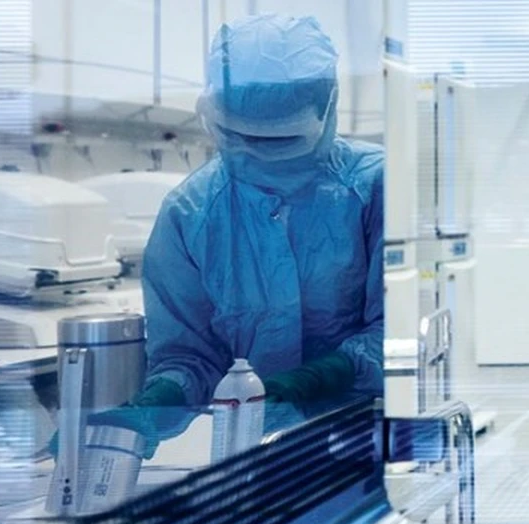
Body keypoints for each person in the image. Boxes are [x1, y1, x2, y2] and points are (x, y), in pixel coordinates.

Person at [97, 13, 384, 458]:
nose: (253, 153)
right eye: (234, 135)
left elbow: (401, 329)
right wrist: (156, 404)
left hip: (361, 440)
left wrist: (322, 376)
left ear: (328, 111)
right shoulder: (189, 213)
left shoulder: (374, 189)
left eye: (280, 139)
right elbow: (188, 355)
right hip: (246, 450)